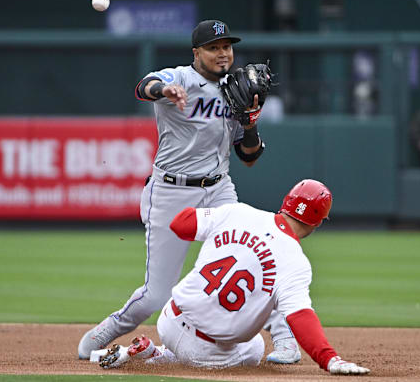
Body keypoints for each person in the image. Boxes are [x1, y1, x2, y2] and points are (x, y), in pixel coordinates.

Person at [78, 19, 302, 364]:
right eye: (214, 48)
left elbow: (250, 156)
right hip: (170, 191)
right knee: (157, 295)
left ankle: (285, 339)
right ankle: (108, 329)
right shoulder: (180, 77)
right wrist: (164, 92)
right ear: (197, 52)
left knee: (255, 259)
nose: (222, 53)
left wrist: (250, 121)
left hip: (219, 190)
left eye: (227, 47)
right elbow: (144, 85)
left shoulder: (237, 88)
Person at [93, 179, 371, 375]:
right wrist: (329, 359)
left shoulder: (238, 212)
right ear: (318, 222)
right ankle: (158, 357)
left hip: (169, 320)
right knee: (255, 345)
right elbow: (300, 318)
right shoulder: (296, 262)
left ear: (286, 203)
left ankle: (154, 352)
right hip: (206, 353)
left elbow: (180, 224)